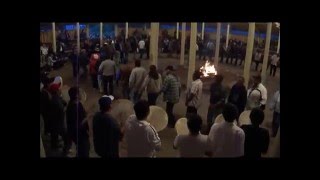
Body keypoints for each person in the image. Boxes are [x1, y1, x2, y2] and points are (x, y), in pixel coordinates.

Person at [66, 87, 90, 157]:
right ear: (76, 95)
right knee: (83, 152)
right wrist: (87, 118)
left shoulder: (77, 103)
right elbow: (75, 125)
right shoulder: (73, 108)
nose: (82, 94)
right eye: (80, 92)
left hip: (82, 134)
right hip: (79, 136)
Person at [48, 83, 69, 155]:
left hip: (54, 123)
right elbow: (61, 111)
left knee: (54, 136)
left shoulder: (54, 98)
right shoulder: (56, 101)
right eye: (59, 88)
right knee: (67, 138)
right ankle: (65, 152)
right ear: (56, 91)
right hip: (59, 124)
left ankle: (54, 146)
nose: (60, 89)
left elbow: (64, 103)